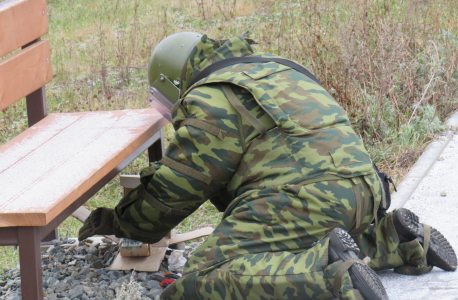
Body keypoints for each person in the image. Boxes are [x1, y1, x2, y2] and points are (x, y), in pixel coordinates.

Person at [79, 32, 457, 300]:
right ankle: (394, 240)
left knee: (200, 281)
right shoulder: (276, 69)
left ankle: (327, 273)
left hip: (303, 197)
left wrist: (115, 221)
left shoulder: (212, 98)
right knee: (288, 245)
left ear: (174, 82)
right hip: (365, 190)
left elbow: (167, 201)